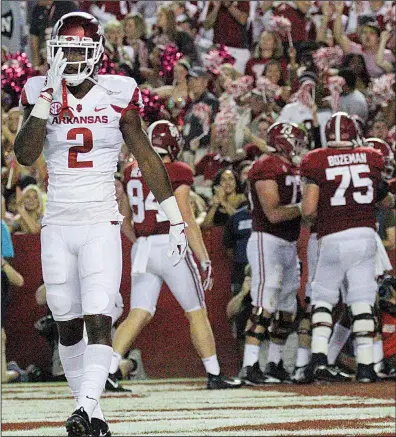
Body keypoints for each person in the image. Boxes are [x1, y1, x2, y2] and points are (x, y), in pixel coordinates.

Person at [14, 12, 188, 437]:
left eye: (77, 50)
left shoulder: (117, 92)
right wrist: (46, 98)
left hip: (99, 220)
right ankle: (92, 415)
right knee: (66, 320)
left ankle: (84, 408)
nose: (69, 57)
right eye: (63, 50)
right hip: (57, 224)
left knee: (98, 315)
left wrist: (176, 218)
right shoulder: (40, 89)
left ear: (95, 55)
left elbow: (146, 156)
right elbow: (24, 153)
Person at [109, 120, 242, 391]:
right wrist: (203, 257)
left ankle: (109, 371)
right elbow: (185, 217)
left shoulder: (132, 170)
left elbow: (124, 219)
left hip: (143, 248)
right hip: (171, 246)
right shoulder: (177, 170)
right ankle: (214, 374)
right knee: (196, 311)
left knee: (139, 312)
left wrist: (141, 241)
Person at [300, 111, 393, 383]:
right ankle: (366, 365)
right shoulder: (370, 157)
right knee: (363, 300)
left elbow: (308, 209)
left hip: (332, 237)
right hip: (364, 236)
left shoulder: (316, 160)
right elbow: (383, 200)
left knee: (323, 299)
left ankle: (319, 358)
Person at [240, 121, 308, 385]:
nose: (300, 147)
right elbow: (273, 212)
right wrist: (305, 207)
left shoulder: (289, 166)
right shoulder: (266, 165)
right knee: (264, 302)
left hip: (288, 243)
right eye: (297, 140)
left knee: (287, 306)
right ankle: (250, 365)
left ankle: (275, 363)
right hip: (267, 239)